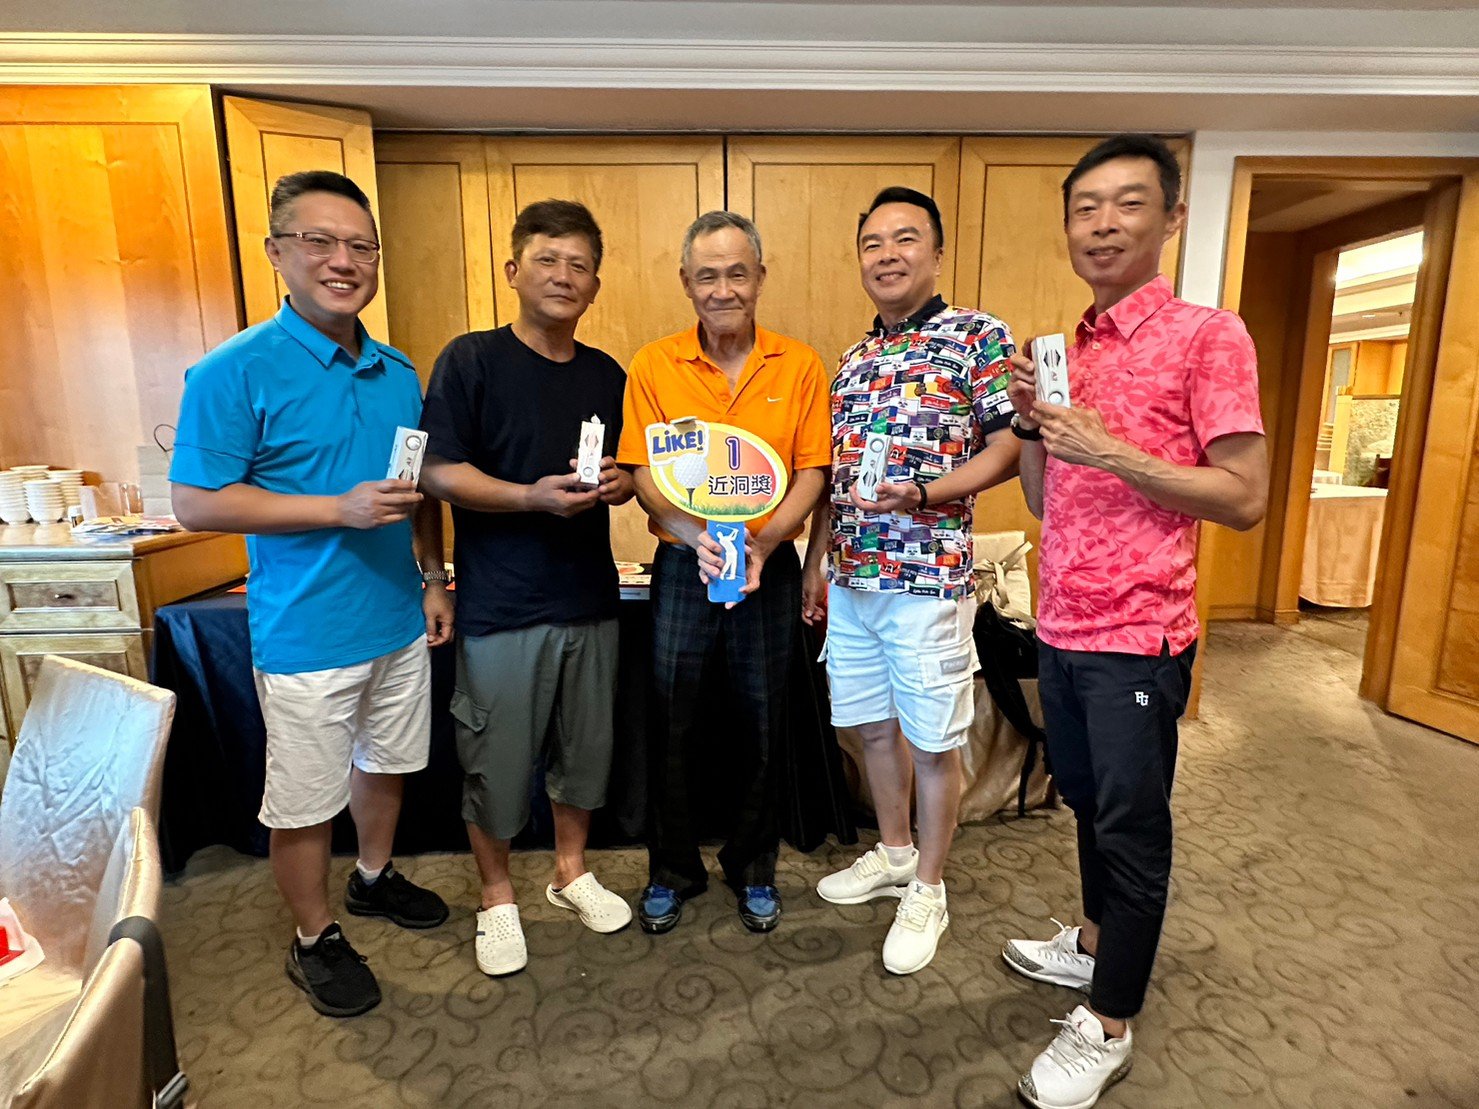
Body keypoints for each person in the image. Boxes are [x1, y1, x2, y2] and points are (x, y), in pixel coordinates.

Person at [1000, 135, 1267, 1109]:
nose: (1102, 224)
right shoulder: (1066, 350)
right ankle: (1095, 941)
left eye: (1126, 203)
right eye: (1085, 208)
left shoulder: (1208, 335)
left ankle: (1110, 1020)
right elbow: (1044, 500)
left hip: (1139, 635)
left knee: (1132, 826)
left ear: (1171, 218)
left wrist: (1111, 449)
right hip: (1061, 623)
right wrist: (1032, 427)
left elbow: (1244, 497)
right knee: (1083, 800)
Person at [170, 170, 453, 1019]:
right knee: (303, 800)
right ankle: (313, 936)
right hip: (305, 630)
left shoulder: (397, 370)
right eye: (319, 241)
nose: (343, 261)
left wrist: (432, 576)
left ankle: (372, 876)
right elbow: (196, 502)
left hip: (396, 616)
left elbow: (415, 490)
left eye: (361, 246)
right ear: (277, 252)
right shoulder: (232, 370)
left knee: (386, 762)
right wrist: (336, 508)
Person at [803, 186, 1020, 975]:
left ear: (935, 253)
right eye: (872, 243)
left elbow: (1007, 446)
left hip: (927, 582)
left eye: (904, 239)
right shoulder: (852, 359)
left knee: (932, 741)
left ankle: (928, 885)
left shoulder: (977, 336)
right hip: (852, 578)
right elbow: (830, 478)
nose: (886, 255)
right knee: (868, 728)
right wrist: (814, 561)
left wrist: (926, 492)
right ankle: (894, 851)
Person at [418, 199, 634, 976]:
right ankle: (496, 893)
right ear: (513, 270)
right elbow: (436, 473)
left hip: (590, 598)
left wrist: (621, 484)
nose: (562, 275)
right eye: (547, 258)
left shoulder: (607, 374)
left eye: (579, 264)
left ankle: (570, 872)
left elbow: (629, 469)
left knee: (585, 753)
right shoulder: (470, 360)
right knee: (496, 762)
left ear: (595, 284)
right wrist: (527, 497)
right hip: (501, 605)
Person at [617, 211, 831, 934]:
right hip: (685, 565)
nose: (723, 289)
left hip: (769, 567)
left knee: (763, 722)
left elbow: (813, 472)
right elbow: (641, 472)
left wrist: (764, 545)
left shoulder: (798, 365)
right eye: (707, 275)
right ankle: (672, 869)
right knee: (670, 719)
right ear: (686, 282)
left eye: (737, 273)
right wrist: (690, 534)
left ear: (760, 278)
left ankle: (753, 866)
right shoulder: (654, 365)